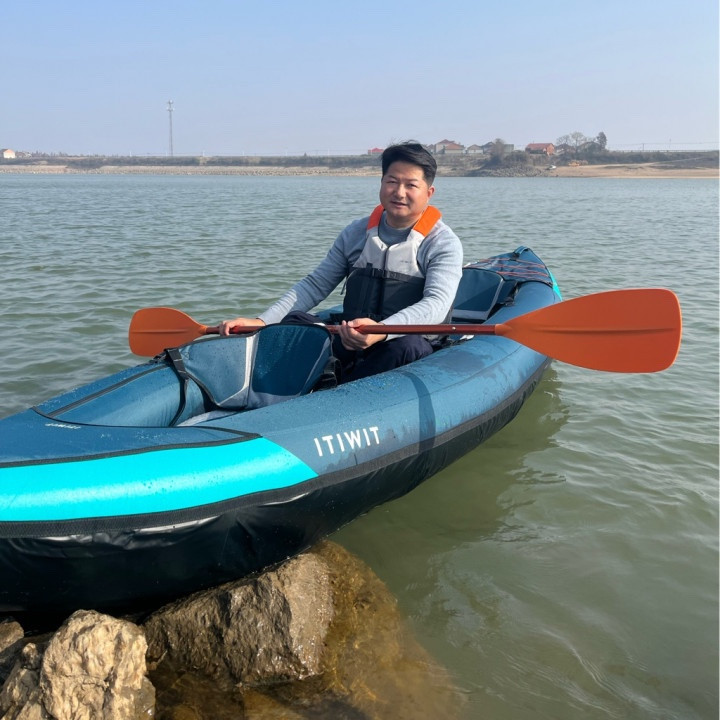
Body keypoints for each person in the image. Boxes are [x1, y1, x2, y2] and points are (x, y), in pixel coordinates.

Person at [219, 142, 463, 382]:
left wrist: (382, 331)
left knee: (406, 347)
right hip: (352, 337)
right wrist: (263, 321)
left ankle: (345, 390)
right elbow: (315, 284)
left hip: (401, 344)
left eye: (411, 185)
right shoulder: (355, 233)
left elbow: (437, 303)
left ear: (428, 193)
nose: (399, 192)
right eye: (392, 181)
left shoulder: (443, 243)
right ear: (381, 183)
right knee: (295, 322)